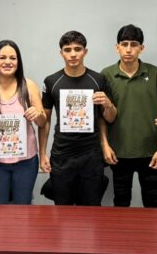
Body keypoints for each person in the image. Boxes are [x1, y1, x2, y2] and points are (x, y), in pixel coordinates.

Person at [39, 30, 117, 206]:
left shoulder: (98, 79)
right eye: (67, 50)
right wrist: (42, 153)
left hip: (91, 154)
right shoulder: (51, 81)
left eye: (77, 49)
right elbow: (45, 120)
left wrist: (108, 104)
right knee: (62, 208)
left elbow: (109, 118)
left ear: (85, 51)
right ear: (61, 53)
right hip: (62, 153)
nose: (73, 54)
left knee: (91, 208)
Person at [0, 40, 47, 204]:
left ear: (18, 61)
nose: (7, 62)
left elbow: (42, 123)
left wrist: (37, 114)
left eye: (12, 58)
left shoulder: (29, 85)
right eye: (2, 57)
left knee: (23, 207)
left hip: (26, 162)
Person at [100, 24, 157, 207]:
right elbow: (101, 116)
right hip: (119, 151)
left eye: (134, 44)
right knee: (121, 202)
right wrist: (105, 145)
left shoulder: (155, 73)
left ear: (141, 48)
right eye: (124, 44)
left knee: (153, 202)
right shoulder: (106, 74)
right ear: (117, 47)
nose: (128, 49)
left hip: (150, 151)